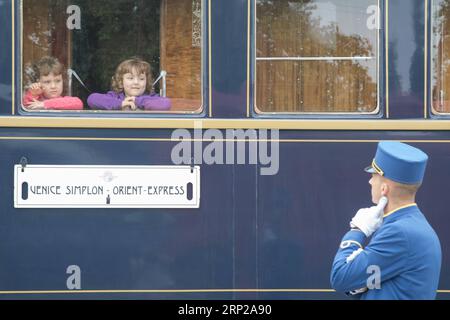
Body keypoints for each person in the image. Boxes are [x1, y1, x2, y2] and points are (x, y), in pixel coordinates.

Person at [330, 141, 442, 299]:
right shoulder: (409, 225)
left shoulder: (399, 232)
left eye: (373, 176)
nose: (370, 181)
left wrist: (357, 231)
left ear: (384, 188)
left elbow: (340, 277)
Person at [87, 57, 171, 111]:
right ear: (121, 81)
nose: (136, 82)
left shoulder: (151, 97)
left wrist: (137, 101)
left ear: (147, 81)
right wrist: (121, 104)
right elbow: (92, 99)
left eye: (141, 79)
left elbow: (165, 104)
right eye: (130, 78)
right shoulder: (115, 97)